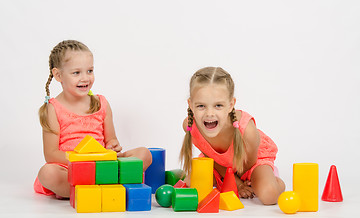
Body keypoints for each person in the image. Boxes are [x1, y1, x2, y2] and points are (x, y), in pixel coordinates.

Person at [34, 40, 152, 198]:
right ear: (58, 75)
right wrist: (82, 158)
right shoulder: (53, 109)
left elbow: (111, 140)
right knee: (47, 173)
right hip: (71, 167)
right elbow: (51, 154)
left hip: (102, 165)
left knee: (144, 154)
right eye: (76, 73)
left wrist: (112, 146)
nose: (85, 78)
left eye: (89, 71)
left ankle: (97, 185)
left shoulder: (101, 103)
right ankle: (85, 191)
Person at [180, 67, 285, 205]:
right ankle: (225, 180)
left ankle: (274, 178)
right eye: (201, 106)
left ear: (231, 105)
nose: (209, 113)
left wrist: (244, 182)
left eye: (218, 105)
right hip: (220, 166)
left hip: (249, 163)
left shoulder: (247, 131)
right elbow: (212, 159)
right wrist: (236, 183)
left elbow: (248, 165)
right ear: (190, 105)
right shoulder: (190, 126)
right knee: (191, 184)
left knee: (268, 195)